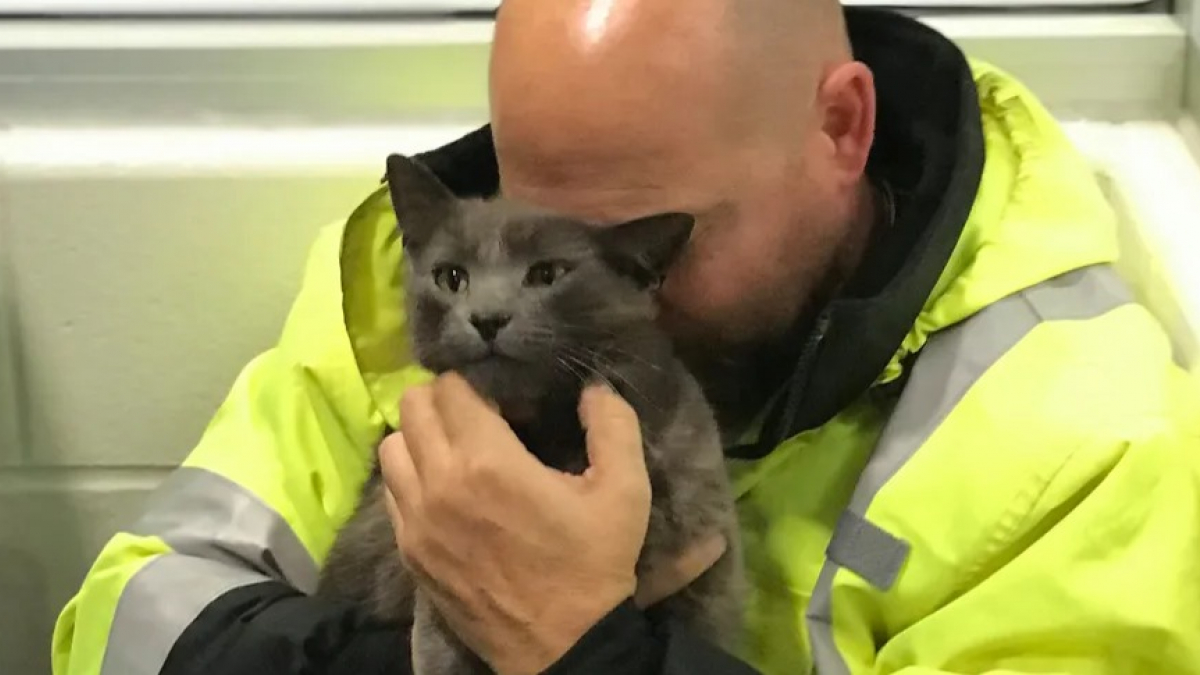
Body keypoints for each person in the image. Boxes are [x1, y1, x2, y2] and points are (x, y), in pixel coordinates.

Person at [51, 0, 1200, 673]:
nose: (567, 298)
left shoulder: (1090, 445)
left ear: (840, 127)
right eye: (532, 208)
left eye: (647, 245)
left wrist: (590, 652)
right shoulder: (426, 281)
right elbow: (125, 623)